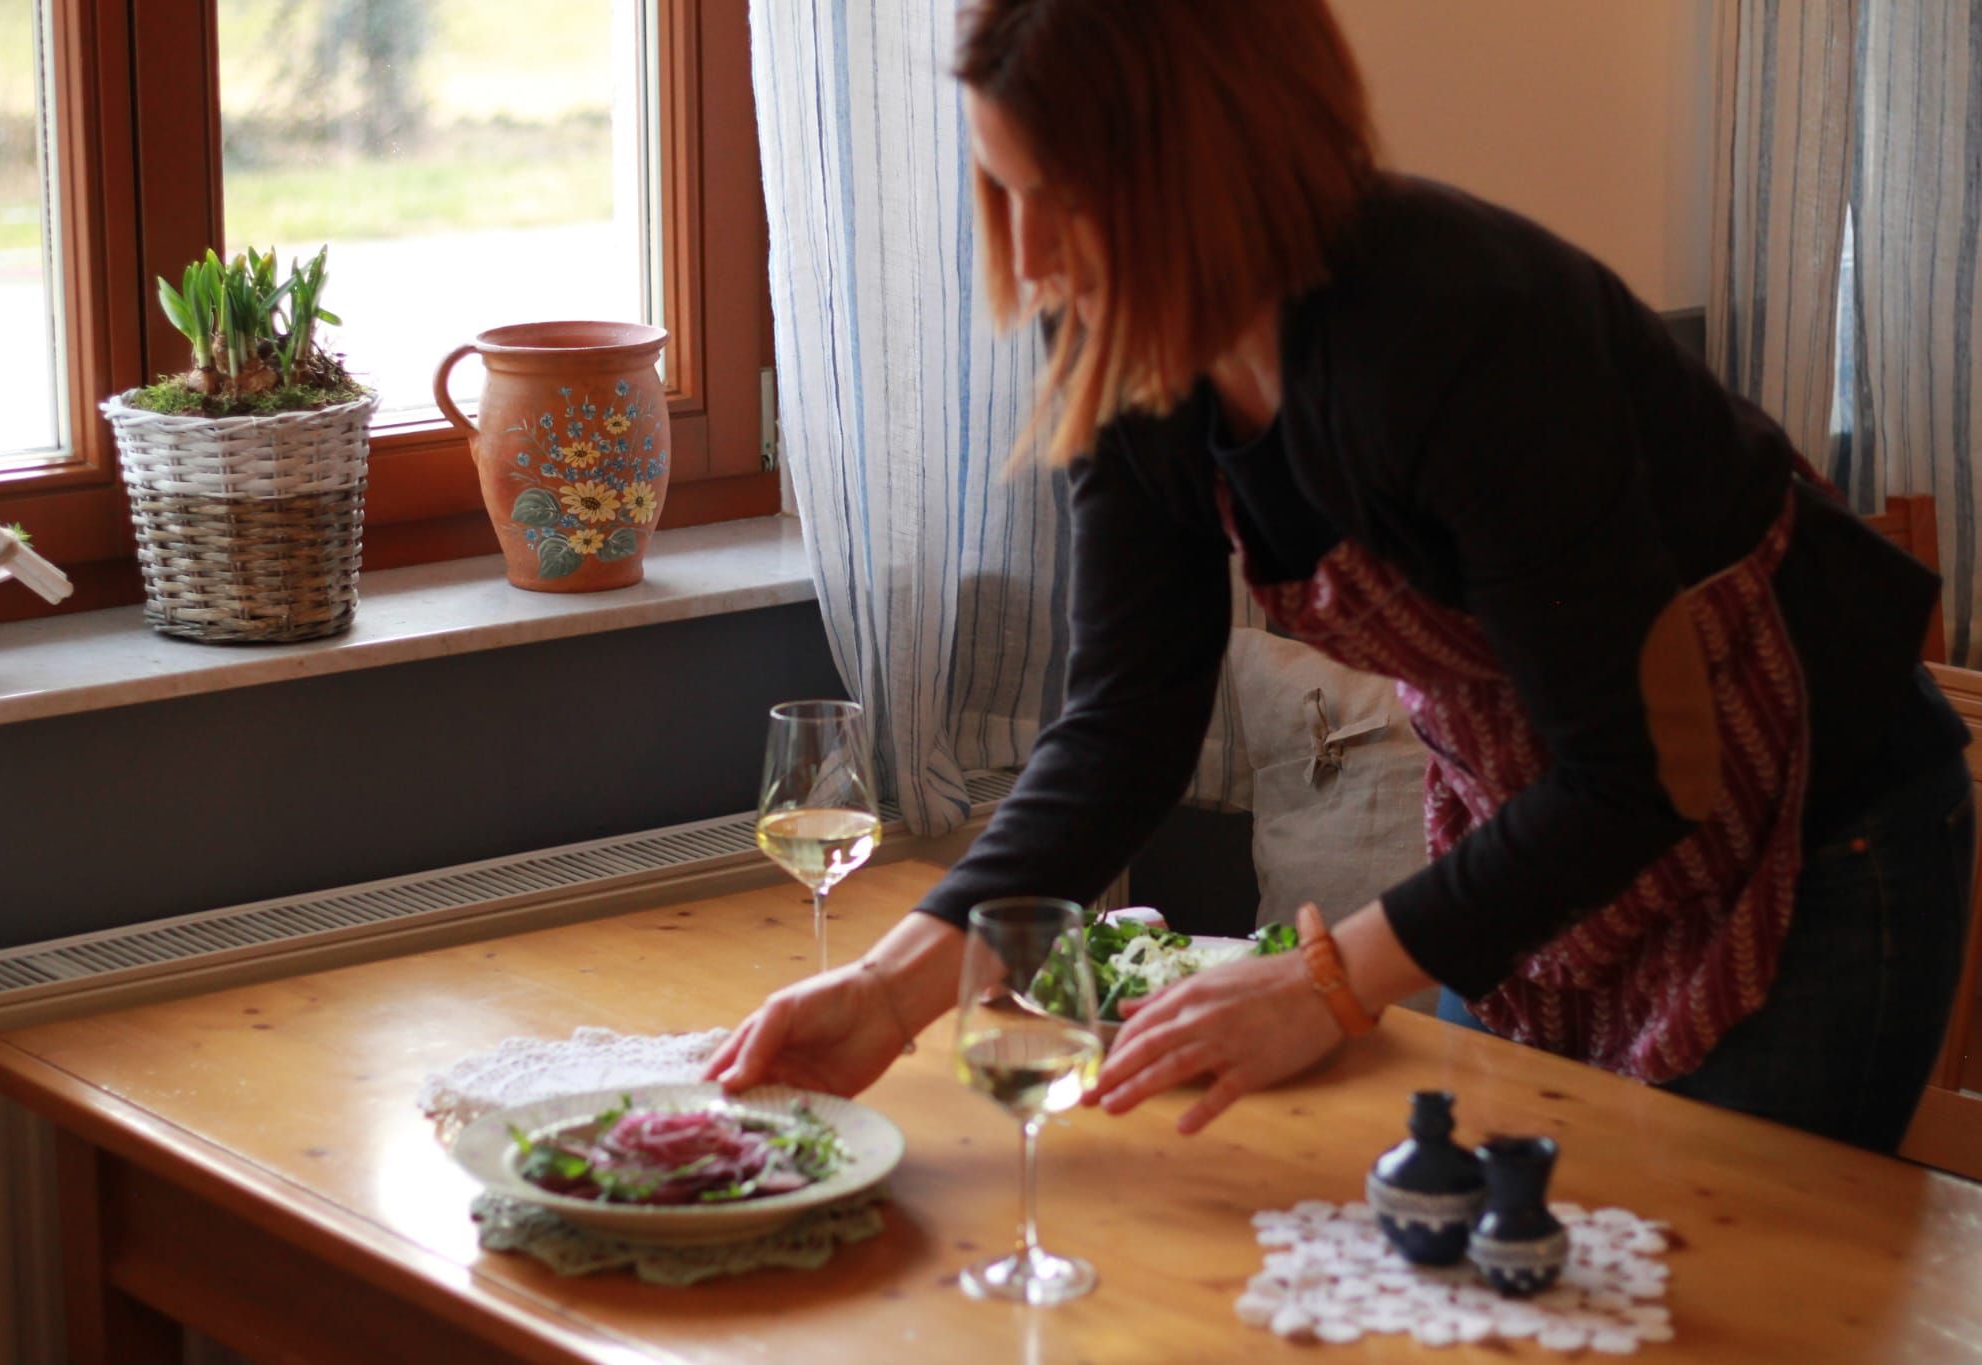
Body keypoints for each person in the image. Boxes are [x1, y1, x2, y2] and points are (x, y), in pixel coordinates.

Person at [707, 0, 1974, 1153]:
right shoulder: (1125, 328)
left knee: (1742, 1295)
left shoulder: (1461, 329)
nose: (1032, 251)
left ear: (1217, 159)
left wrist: (1322, 986)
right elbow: (1119, 733)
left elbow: (1638, 770)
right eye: (1005, 187)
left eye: (1072, 197)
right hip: (1550, 852)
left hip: (1813, 838)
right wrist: (887, 994)